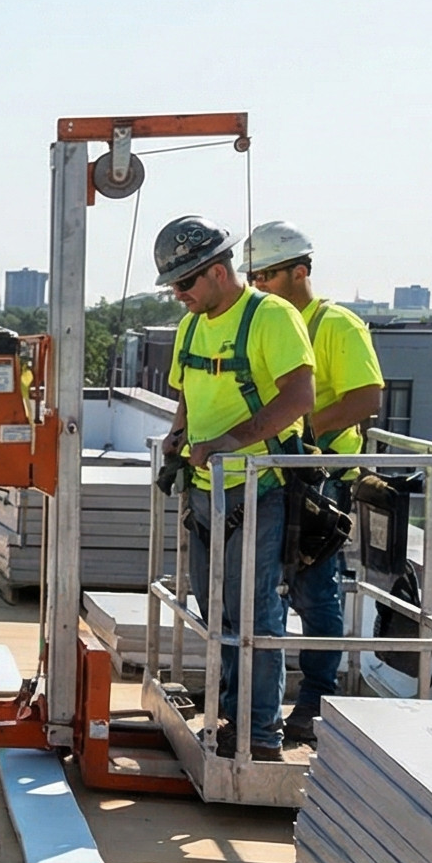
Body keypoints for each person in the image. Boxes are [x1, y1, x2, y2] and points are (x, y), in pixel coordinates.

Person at [158, 215, 315, 762]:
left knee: (253, 615)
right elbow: (187, 394)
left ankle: (260, 733)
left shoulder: (270, 317)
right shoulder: (192, 326)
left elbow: (299, 398)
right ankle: (230, 714)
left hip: (260, 488)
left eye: (184, 284)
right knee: (215, 610)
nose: (178, 296)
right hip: (208, 490)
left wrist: (232, 441)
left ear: (219, 273)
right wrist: (177, 438)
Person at [244, 221, 384, 745]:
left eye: (269, 274)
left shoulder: (337, 326)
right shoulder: (260, 323)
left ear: (301, 270)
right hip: (268, 473)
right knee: (260, 591)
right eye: (254, 275)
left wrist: (301, 430)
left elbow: (366, 399)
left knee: (315, 591)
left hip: (320, 479)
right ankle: (257, 706)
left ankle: (313, 700)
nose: (259, 283)